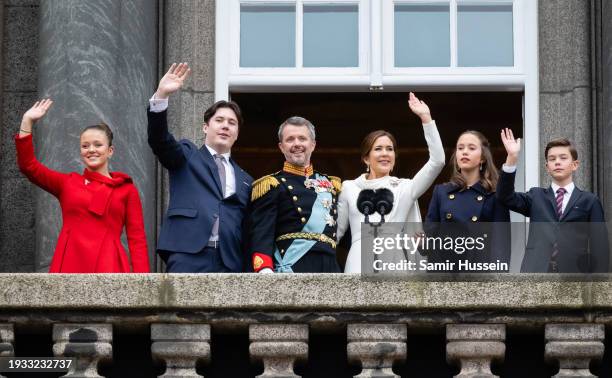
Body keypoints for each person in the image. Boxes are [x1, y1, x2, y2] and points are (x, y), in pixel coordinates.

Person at [15, 99, 150, 273]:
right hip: (70, 262)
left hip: (109, 265)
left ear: (110, 151)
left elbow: (137, 239)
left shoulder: (126, 189)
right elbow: (29, 166)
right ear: (80, 152)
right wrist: (27, 122)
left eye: (98, 145)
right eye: (85, 146)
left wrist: (143, 283)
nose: (91, 150)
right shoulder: (68, 183)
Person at [147, 63, 253, 273]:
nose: (225, 126)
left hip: (230, 262)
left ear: (237, 133)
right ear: (206, 127)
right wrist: (161, 96)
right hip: (188, 255)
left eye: (232, 123)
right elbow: (160, 141)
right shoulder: (187, 155)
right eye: (219, 120)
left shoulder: (246, 179)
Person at [336, 93, 445, 273]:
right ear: (366, 158)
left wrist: (426, 119)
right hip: (358, 262)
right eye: (378, 149)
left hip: (394, 262)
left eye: (390, 149)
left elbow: (437, 161)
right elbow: (336, 234)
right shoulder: (349, 187)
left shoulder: (406, 187)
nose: (385, 153)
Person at [497, 129, 609, 273]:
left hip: (574, 277)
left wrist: (599, 286)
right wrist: (512, 157)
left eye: (563, 158)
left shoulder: (589, 201)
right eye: (552, 159)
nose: (557, 162)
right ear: (547, 167)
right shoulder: (536, 196)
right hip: (536, 273)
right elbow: (504, 196)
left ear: (575, 165)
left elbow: (600, 247)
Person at [248, 116, 342, 273]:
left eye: (302, 138)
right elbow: (261, 233)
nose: (297, 144)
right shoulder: (272, 184)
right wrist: (264, 268)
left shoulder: (331, 184)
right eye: (290, 139)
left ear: (313, 145)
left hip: (330, 267)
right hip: (293, 266)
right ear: (281, 147)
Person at [425, 130, 510, 272]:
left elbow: (501, 245)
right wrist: (421, 242)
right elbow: (429, 240)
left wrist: (498, 281)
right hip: (444, 274)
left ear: (482, 158)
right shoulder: (441, 192)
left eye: (471, 148)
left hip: (480, 274)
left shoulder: (494, 195)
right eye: (460, 148)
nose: (464, 152)